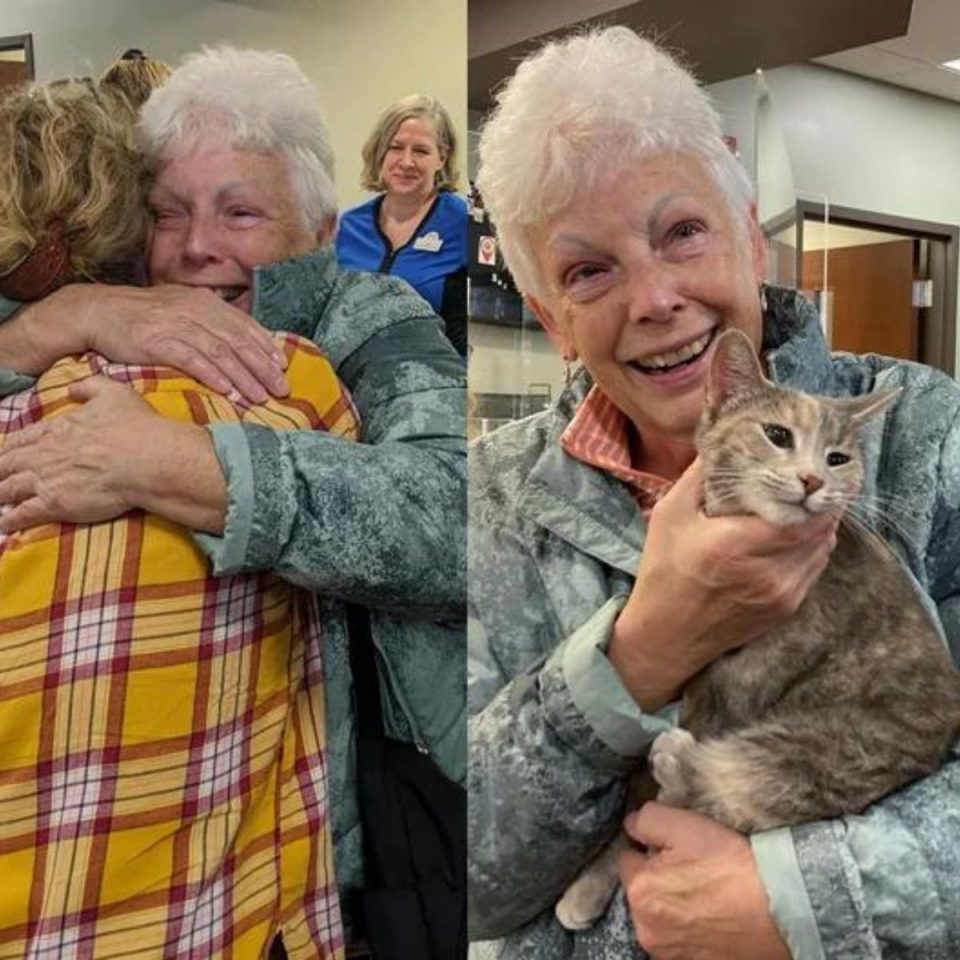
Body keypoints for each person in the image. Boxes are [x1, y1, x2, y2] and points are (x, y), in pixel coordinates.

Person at [468, 26, 960, 960]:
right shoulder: (490, 500)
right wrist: (639, 653)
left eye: (682, 231)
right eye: (587, 270)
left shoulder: (931, 437)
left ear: (748, 230)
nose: (655, 297)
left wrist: (803, 900)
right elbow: (467, 873)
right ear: (548, 320)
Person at [0, 45, 466, 950]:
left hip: (362, 836)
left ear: (321, 230)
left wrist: (182, 465)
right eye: (169, 213)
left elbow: (454, 519)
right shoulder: (108, 312)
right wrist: (46, 324)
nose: (196, 246)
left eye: (240, 212)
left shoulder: (367, 320)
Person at [336, 94, 468, 356]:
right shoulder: (349, 227)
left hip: (437, 384)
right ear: (380, 152)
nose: (406, 162)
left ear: (441, 158)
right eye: (396, 147)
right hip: (352, 383)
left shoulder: (461, 223)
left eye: (420, 151)